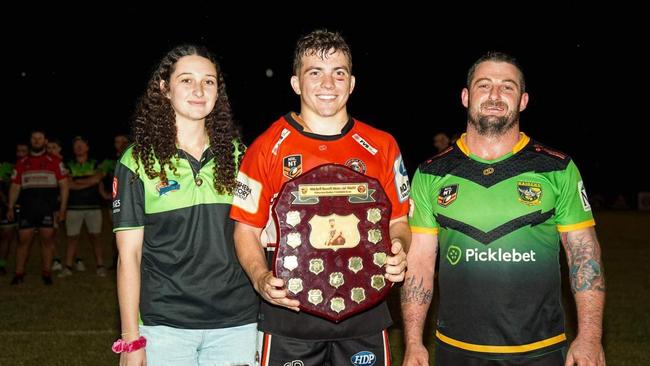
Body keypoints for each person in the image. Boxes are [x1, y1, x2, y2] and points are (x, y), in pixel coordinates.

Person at [401, 52, 606, 366]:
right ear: (466, 96)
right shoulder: (431, 173)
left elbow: (584, 254)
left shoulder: (556, 168)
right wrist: (414, 343)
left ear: (523, 100)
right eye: (484, 85)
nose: (495, 95)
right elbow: (419, 264)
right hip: (456, 349)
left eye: (507, 87)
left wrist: (590, 337)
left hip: (541, 349)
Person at [230, 29, 411, 366]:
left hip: (365, 310)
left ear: (352, 83)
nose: (328, 84)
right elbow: (245, 230)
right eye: (315, 73)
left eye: (338, 73)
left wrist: (399, 249)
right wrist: (260, 278)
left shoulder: (382, 145)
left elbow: (399, 221)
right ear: (296, 83)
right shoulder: (265, 147)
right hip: (290, 312)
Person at [112, 44, 258, 366]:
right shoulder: (137, 162)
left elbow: (257, 235)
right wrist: (130, 339)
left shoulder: (241, 157)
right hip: (165, 326)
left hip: (237, 324)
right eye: (186, 80)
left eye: (208, 81)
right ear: (165, 89)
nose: (198, 90)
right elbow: (129, 256)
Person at [7, 130, 69, 285]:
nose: (36, 141)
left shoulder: (54, 161)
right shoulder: (22, 162)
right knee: (23, 241)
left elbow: (64, 187)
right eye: (33, 138)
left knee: (47, 241)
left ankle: (46, 273)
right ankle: (19, 273)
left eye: (39, 138)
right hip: (27, 209)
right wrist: (10, 207)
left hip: (47, 209)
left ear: (45, 141)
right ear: (30, 141)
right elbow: (15, 187)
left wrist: (62, 209)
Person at [59, 136, 107, 277]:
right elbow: (68, 184)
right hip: (73, 207)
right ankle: (68, 267)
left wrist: (77, 182)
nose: (79, 147)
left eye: (82, 145)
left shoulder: (95, 163)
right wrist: (90, 182)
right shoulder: (67, 165)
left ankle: (100, 266)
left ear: (87, 147)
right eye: (76, 145)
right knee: (72, 238)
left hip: (94, 207)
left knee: (96, 237)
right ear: (73, 149)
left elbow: (98, 178)